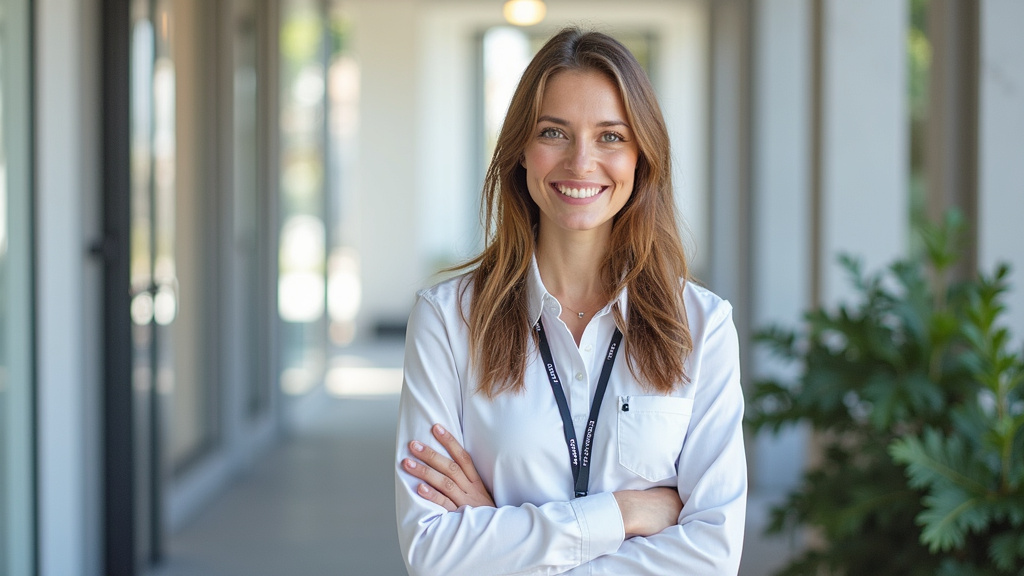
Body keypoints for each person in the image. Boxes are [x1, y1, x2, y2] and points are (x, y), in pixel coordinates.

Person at [394, 27, 746, 575]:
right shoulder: (447, 319)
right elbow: (433, 552)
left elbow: (712, 557)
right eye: (554, 132)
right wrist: (624, 513)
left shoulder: (702, 326)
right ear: (521, 153)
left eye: (610, 136)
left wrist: (501, 538)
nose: (581, 162)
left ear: (642, 157)